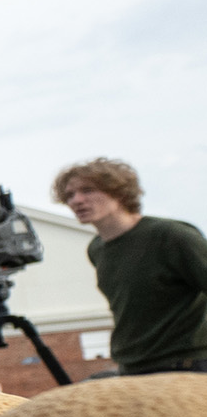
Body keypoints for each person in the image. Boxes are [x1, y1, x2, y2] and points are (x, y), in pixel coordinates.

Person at [56, 158, 207, 375]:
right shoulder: (97, 249)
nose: (76, 200)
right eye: (69, 195)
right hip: (133, 366)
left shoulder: (171, 236)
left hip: (186, 364)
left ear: (119, 192)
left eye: (88, 190)